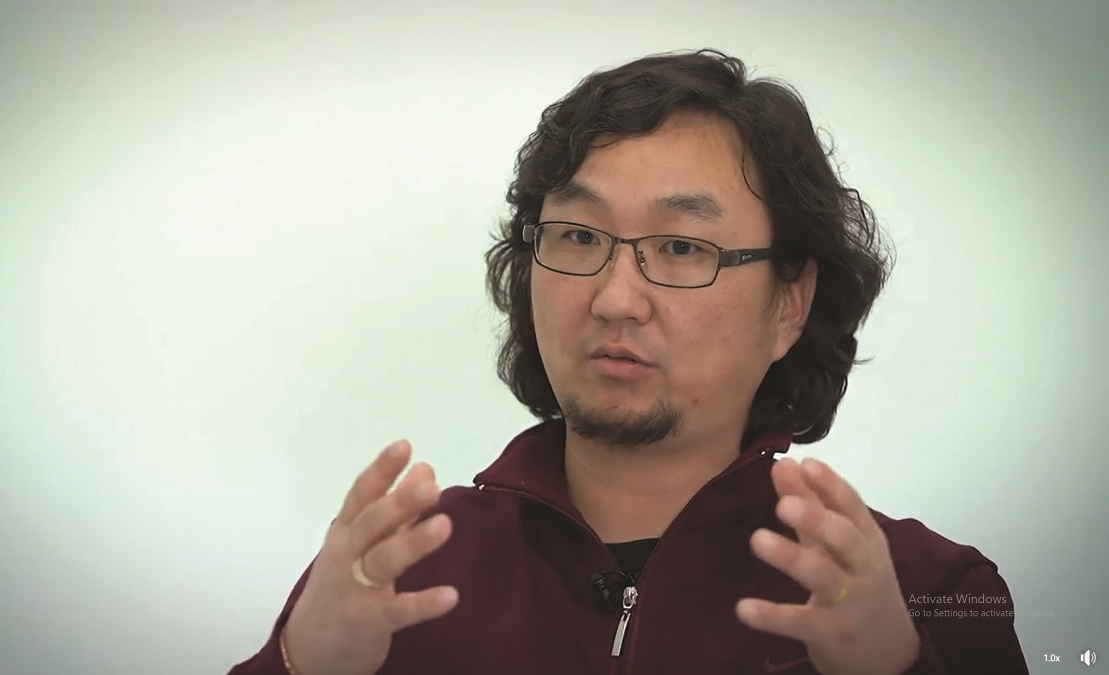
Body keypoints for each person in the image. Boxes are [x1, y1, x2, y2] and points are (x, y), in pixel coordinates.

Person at [228, 48, 1028, 674]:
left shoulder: (928, 590)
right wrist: (299, 665)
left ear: (790, 301)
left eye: (681, 247)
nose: (615, 298)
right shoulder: (397, 576)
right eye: (579, 236)